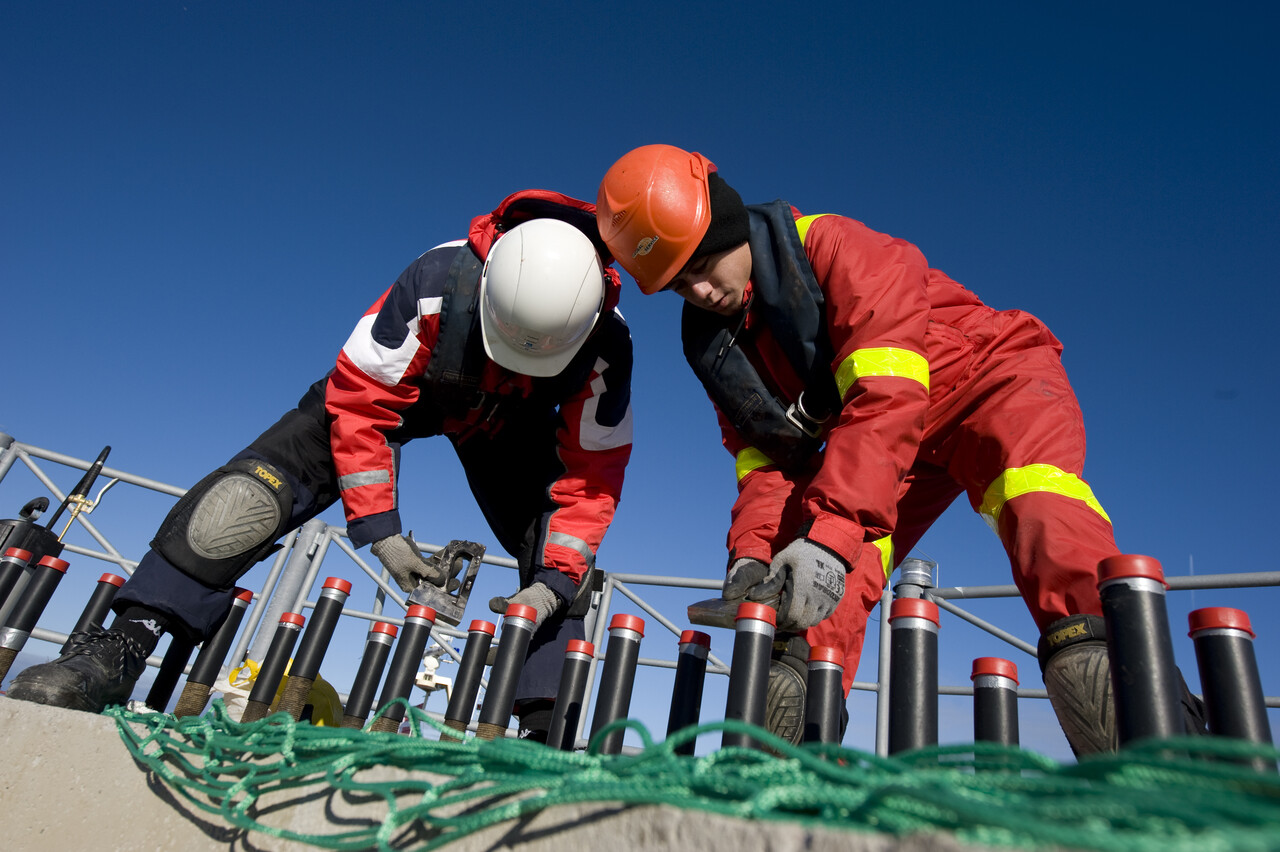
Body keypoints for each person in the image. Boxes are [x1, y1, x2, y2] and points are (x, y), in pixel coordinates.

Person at [595, 144, 1203, 754]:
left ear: (725, 224)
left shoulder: (836, 248)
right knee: (817, 597)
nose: (699, 290)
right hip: (884, 447)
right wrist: (750, 556)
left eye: (702, 263)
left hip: (989, 382)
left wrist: (832, 530)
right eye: (678, 283)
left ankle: (1159, 734)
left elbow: (886, 396)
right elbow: (765, 459)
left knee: (1040, 513)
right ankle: (796, 761)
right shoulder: (719, 348)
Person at [10, 191, 635, 741]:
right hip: (410, 393)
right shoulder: (438, 277)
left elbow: (592, 473)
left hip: (510, 428)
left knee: (564, 566)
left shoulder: (608, 342)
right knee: (251, 494)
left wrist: (554, 579)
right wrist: (382, 531)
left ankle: (539, 731)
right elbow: (361, 405)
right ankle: (120, 647)